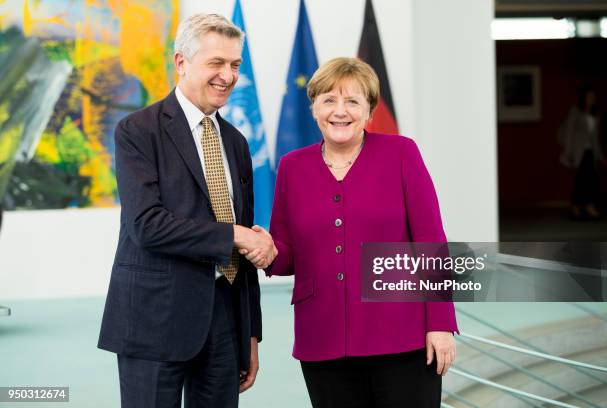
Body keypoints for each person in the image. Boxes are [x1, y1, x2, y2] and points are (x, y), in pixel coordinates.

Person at [243, 57, 458, 407]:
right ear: (314, 108)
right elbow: (288, 254)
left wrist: (441, 324)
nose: (340, 111)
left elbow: (432, 245)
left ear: (369, 110)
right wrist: (265, 249)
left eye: (352, 101)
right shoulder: (292, 167)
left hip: (402, 337)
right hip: (322, 340)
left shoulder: (402, 154)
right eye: (329, 100)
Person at [98, 13, 277, 408]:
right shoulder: (137, 131)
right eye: (216, 63)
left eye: (235, 65)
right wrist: (235, 235)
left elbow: (241, 247)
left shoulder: (236, 142)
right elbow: (148, 226)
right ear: (181, 63)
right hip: (153, 319)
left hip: (224, 323)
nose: (228, 76)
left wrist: (250, 333)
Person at [559, 85, 607, 219]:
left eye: (593, 97)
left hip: (591, 151)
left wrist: (601, 155)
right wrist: (568, 152)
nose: (592, 99)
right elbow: (569, 132)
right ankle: (577, 207)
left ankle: (589, 206)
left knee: (591, 179)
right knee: (580, 180)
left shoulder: (596, 114)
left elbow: (595, 137)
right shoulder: (575, 111)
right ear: (584, 98)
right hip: (579, 151)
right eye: (589, 96)